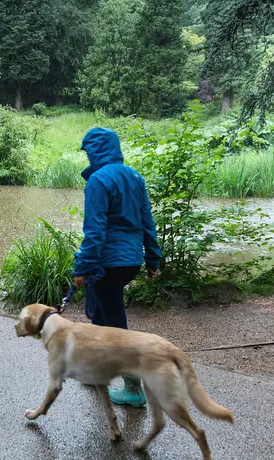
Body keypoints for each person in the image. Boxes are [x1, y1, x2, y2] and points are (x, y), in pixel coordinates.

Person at [72, 127, 162, 407]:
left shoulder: (99, 180)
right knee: (100, 315)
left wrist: (82, 267)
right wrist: (152, 259)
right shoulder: (135, 176)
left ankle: (134, 389)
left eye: (88, 151)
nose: (87, 156)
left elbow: (95, 231)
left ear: (96, 150)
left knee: (114, 325)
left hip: (108, 263)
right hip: (131, 261)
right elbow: (148, 221)